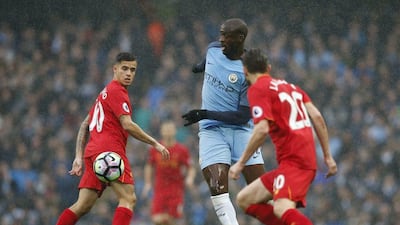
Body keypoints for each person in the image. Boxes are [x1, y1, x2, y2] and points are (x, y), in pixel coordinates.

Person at [55, 52, 170, 225]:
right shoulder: (117, 91)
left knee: (82, 206)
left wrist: (79, 156)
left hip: (93, 153)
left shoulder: (103, 94)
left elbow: (85, 124)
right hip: (110, 152)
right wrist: (155, 143)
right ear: (114, 69)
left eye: (132, 70)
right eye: (124, 68)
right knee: (128, 198)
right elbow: (127, 124)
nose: (129, 73)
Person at [229, 48, 338, 225]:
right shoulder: (292, 87)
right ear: (268, 68)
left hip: (295, 163)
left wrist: (241, 163)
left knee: (281, 208)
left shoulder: (258, 89)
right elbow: (317, 117)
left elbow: (262, 129)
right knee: (244, 198)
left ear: (245, 71)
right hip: (297, 162)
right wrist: (327, 156)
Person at [182, 18, 265, 225]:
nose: (221, 40)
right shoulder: (213, 49)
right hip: (212, 132)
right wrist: (197, 68)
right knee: (218, 190)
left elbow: (242, 116)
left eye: (226, 36)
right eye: (220, 34)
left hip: (242, 131)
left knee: (262, 194)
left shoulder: (248, 72)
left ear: (240, 38)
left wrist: (204, 114)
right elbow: (205, 62)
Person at [142, 120, 196, 225]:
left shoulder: (181, 150)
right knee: (156, 219)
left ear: (175, 132)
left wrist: (190, 179)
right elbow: (149, 165)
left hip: (176, 189)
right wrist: (147, 183)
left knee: (172, 219)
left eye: (170, 130)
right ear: (161, 132)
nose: (168, 133)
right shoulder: (155, 149)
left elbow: (191, 167)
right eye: (166, 130)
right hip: (160, 189)